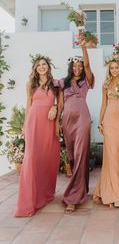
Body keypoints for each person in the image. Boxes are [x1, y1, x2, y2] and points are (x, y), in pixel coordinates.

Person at [15, 55, 60, 217]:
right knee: (31, 159)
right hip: (34, 122)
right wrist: (25, 126)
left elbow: (60, 103)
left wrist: (54, 107)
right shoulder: (31, 84)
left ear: (48, 66)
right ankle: (28, 201)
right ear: (35, 68)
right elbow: (28, 105)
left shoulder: (56, 84)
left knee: (48, 158)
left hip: (48, 124)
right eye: (39, 65)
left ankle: (44, 194)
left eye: (44, 64)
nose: (42, 67)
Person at [58, 35, 94, 214]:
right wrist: (57, 120)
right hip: (67, 121)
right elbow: (59, 102)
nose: (78, 67)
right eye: (75, 65)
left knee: (80, 154)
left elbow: (88, 66)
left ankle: (73, 197)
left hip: (82, 119)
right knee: (73, 156)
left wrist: (83, 47)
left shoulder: (87, 81)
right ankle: (82, 189)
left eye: (80, 65)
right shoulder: (62, 83)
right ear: (71, 68)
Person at [93, 55, 119, 208]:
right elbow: (103, 104)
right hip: (109, 121)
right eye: (111, 68)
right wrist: (100, 122)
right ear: (109, 70)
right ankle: (114, 194)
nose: (114, 70)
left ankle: (118, 188)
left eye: (116, 68)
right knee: (111, 155)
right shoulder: (106, 84)